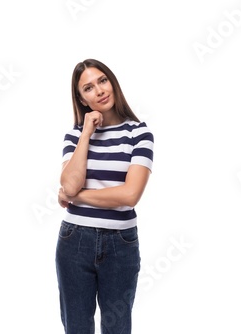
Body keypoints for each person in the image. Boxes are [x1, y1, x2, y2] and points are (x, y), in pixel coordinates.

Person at [56, 58, 154, 334]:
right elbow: (69, 181)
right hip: (74, 240)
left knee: (117, 328)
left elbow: (130, 195)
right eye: (88, 88)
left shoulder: (139, 133)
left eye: (102, 81)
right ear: (82, 99)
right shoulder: (74, 135)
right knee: (76, 327)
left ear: (112, 82)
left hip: (120, 244)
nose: (98, 90)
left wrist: (75, 197)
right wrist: (86, 132)